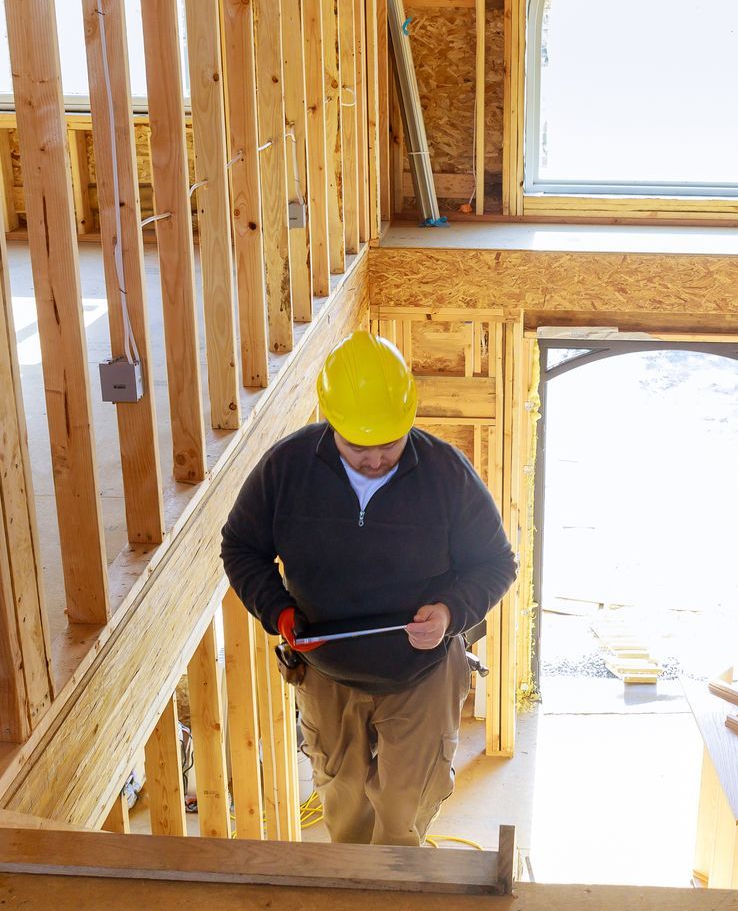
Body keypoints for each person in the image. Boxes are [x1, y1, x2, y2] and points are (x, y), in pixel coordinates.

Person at [220, 330, 516, 846]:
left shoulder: (446, 474)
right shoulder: (286, 470)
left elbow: (496, 563)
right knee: (345, 812)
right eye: (360, 446)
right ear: (332, 423)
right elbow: (241, 547)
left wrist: (449, 613)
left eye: (390, 443)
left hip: (422, 672)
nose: (376, 458)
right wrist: (280, 614)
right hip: (326, 672)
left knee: (405, 815)